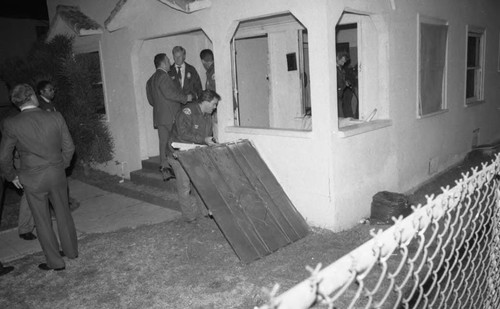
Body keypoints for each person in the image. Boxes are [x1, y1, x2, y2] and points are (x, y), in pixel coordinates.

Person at [0, 84, 77, 271]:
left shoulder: (11, 123)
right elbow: (69, 148)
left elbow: (3, 156)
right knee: (63, 214)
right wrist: (61, 166)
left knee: (42, 221)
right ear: (33, 96)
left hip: (32, 178)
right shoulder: (55, 116)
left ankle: (55, 262)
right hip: (56, 174)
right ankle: (71, 251)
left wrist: (12, 176)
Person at [168, 90, 220, 222]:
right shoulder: (187, 111)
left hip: (193, 153)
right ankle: (189, 216)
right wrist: (204, 139)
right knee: (184, 186)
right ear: (206, 102)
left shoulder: (207, 116)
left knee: (199, 182)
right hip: (177, 153)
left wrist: (211, 143)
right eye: (214, 104)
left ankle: (204, 212)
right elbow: (182, 134)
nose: (215, 107)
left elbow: (207, 136)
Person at [146, 53, 191, 181]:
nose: (170, 61)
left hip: (160, 117)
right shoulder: (164, 76)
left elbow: (151, 100)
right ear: (162, 63)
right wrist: (185, 98)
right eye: (168, 60)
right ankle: (178, 169)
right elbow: (170, 94)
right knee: (175, 142)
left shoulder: (150, 80)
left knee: (163, 143)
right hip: (170, 115)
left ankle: (165, 168)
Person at [0, 103, 36, 241]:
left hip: (30, 160)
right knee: (29, 194)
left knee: (34, 194)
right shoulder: (10, 118)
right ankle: (25, 228)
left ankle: (32, 225)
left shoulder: (18, 114)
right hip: (20, 161)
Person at [336, 50, 353, 118]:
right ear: (337, 58)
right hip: (335, 95)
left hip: (340, 94)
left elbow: (341, 80)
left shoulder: (340, 68)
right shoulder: (332, 68)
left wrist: (345, 83)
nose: (343, 64)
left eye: (344, 62)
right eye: (342, 61)